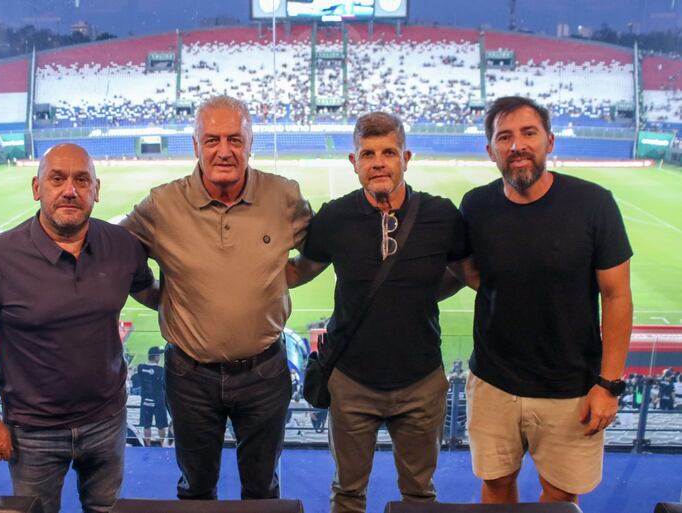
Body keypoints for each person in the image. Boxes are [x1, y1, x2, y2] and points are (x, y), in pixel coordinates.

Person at [121, 95, 313, 500]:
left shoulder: (284, 197)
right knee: (196, 487)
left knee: (262, 487)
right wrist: (161, 298)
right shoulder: (161, 204)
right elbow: (114, 251)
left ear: (250, 143)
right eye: (211, 140)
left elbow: (319, 250)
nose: (224, 151)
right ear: (195, 146)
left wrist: (282, 278)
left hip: (264, 372)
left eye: (234, 139)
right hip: (190, 377)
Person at [0, 143, 158, 513]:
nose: (70, 190)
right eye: (57, 179)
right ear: (36, 188)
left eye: (82, 180)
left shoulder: (122, 245)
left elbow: (152, 293)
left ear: (96, 188)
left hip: (107, 420)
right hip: (33, 433)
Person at [457, 96, 633, 504]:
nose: (517, 145)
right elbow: (470, 272)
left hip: (570, 387)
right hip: (493, 383)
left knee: (560, 495)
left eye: (528, 133)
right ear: (491, 151)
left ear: (549, 141)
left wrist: (608, 384)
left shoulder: (594, 204)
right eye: (505, 137)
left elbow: (617, 295)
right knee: (497, 482)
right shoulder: (476, 205)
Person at [293, 112, 469, 513]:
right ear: (353, 162)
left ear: (405, 158)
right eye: (367, 153)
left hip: (421, 382)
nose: (378, 162)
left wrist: (421, 292)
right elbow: (300, 270)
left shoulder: (441, 215)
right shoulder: (335, 217)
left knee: (420, 495)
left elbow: (467, 272)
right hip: (352, 382)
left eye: (388, 152)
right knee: (348, 493)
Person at [137, 346, 171, 446]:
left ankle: (148, 445)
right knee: (161, 426)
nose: (160, 357)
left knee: (146, 425)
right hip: (158, 401)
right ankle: (161, 444)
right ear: (156, 357)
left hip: (145, 400)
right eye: (159, 355)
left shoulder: (141, 368)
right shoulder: (161, 370)